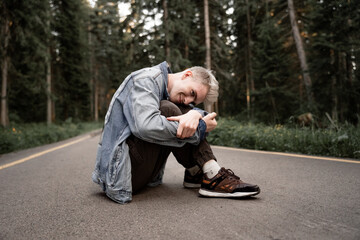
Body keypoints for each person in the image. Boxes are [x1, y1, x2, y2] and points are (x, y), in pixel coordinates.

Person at [92, 61, 260, 204]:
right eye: (192, 93)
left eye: (194, 100)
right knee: (168, 108)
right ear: (187, 75)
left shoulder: (172, 92)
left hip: (143, 172)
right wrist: (199, 127)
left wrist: (195, 114)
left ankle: (195, 172)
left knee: (180, 109)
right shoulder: (146, 80)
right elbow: (145, 126)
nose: (188, 100)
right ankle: (210, 173)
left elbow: (194, 112)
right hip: (120, 176)